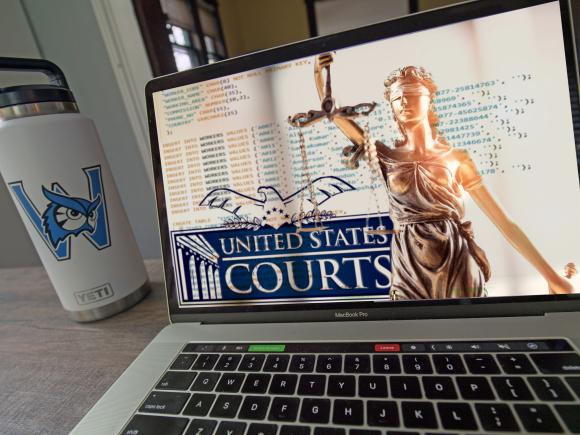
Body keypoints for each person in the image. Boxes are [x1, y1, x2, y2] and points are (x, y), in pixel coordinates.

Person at [314, 53, 574, 299]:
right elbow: (334, 114)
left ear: (429, 99)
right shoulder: (386, 157)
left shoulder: (456, 158)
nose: (404, 102)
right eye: (397, 98)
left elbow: (505, 223)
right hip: (408, 263)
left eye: (413, 94)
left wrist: (551, 277)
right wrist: (320, 77)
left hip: (455, 256)